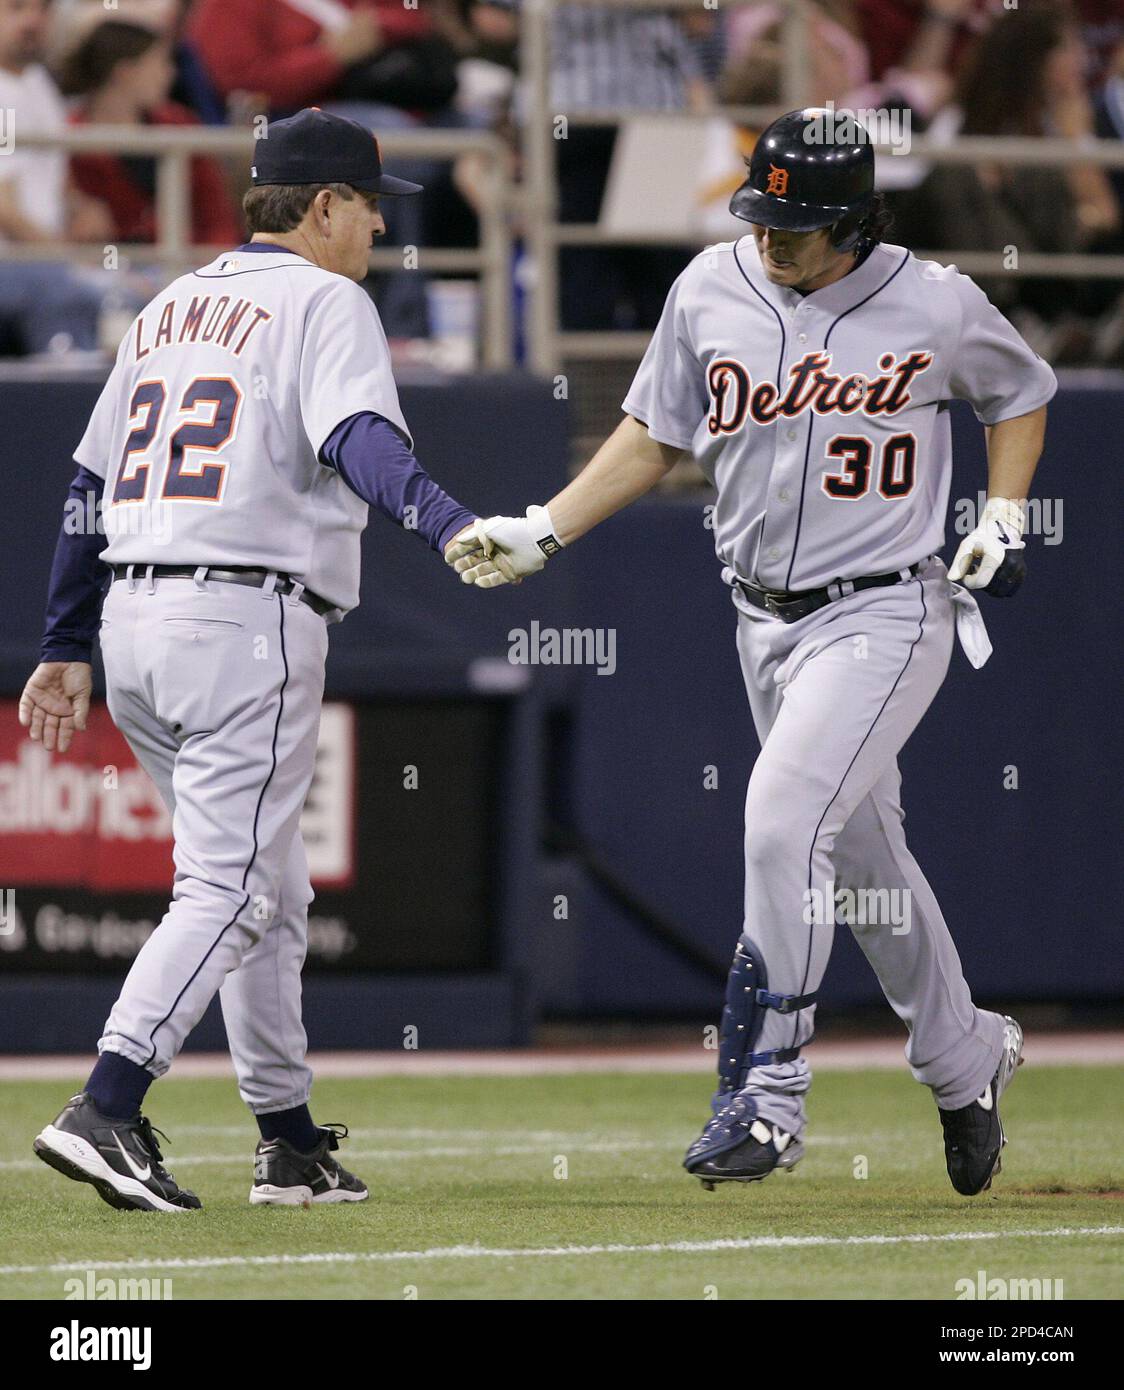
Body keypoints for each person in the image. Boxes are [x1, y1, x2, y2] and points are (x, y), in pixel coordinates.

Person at [448, 109, 1055, 1196]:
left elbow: (1020, 392)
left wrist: (1001, 516)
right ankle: (965, 1059)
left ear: (856, 221)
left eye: (796, 223)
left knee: (780, 818)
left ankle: (765, 1093)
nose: (771, 238)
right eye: (761, 214)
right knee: (865, 868)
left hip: (883, 610)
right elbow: (654, 431)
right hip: (758, 617)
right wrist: (544, 527)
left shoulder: (932, 299)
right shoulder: (710, 284)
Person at [22, 108, 486, 1212]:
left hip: (135, 621)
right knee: (230, 892)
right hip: (242, 619)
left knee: (266, 888)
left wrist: (62, 640)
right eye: (369, 204)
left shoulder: (170, 303)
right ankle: (108, 1104)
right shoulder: (328, 299)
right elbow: (357, 441)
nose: (377, 225)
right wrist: (444, 518)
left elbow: (86, 488)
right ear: (322, 205)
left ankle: (285, 1140)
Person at [61, 19, 242, 249]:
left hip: (192, 267)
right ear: (125, 72)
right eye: (160, 64)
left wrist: (216, 269)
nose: (170, 73)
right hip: (111, 272)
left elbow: (217, 218)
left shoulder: (181, 126)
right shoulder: (70, 138)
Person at [0, 0, 112, 354]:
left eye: (43, 8)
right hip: (15, 262)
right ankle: (67, 397)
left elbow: (53, 179)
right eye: (16, 8)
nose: (33, 21)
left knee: (147, 283)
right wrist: (65, 258)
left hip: (44, 256)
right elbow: (5, 210)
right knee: (71, 291)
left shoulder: (38, 83)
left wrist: (82, 208)